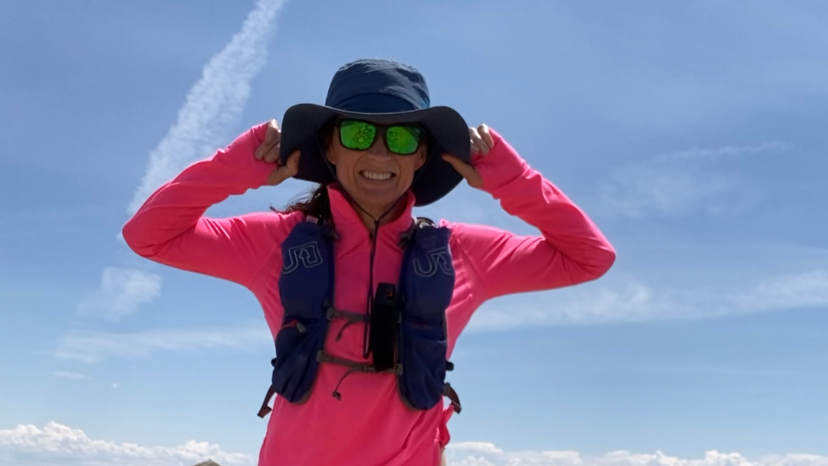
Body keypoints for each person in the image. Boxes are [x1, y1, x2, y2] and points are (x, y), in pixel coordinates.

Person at [123, 59, 615, 466]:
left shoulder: (462, 251)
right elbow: (147, 236)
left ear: (422, 155)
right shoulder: (275, 242)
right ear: (329, 147)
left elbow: (590, 257)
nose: (380, 153)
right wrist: (234, 168)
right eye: (358, 133)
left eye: (402, 138)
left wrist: (514, 180)